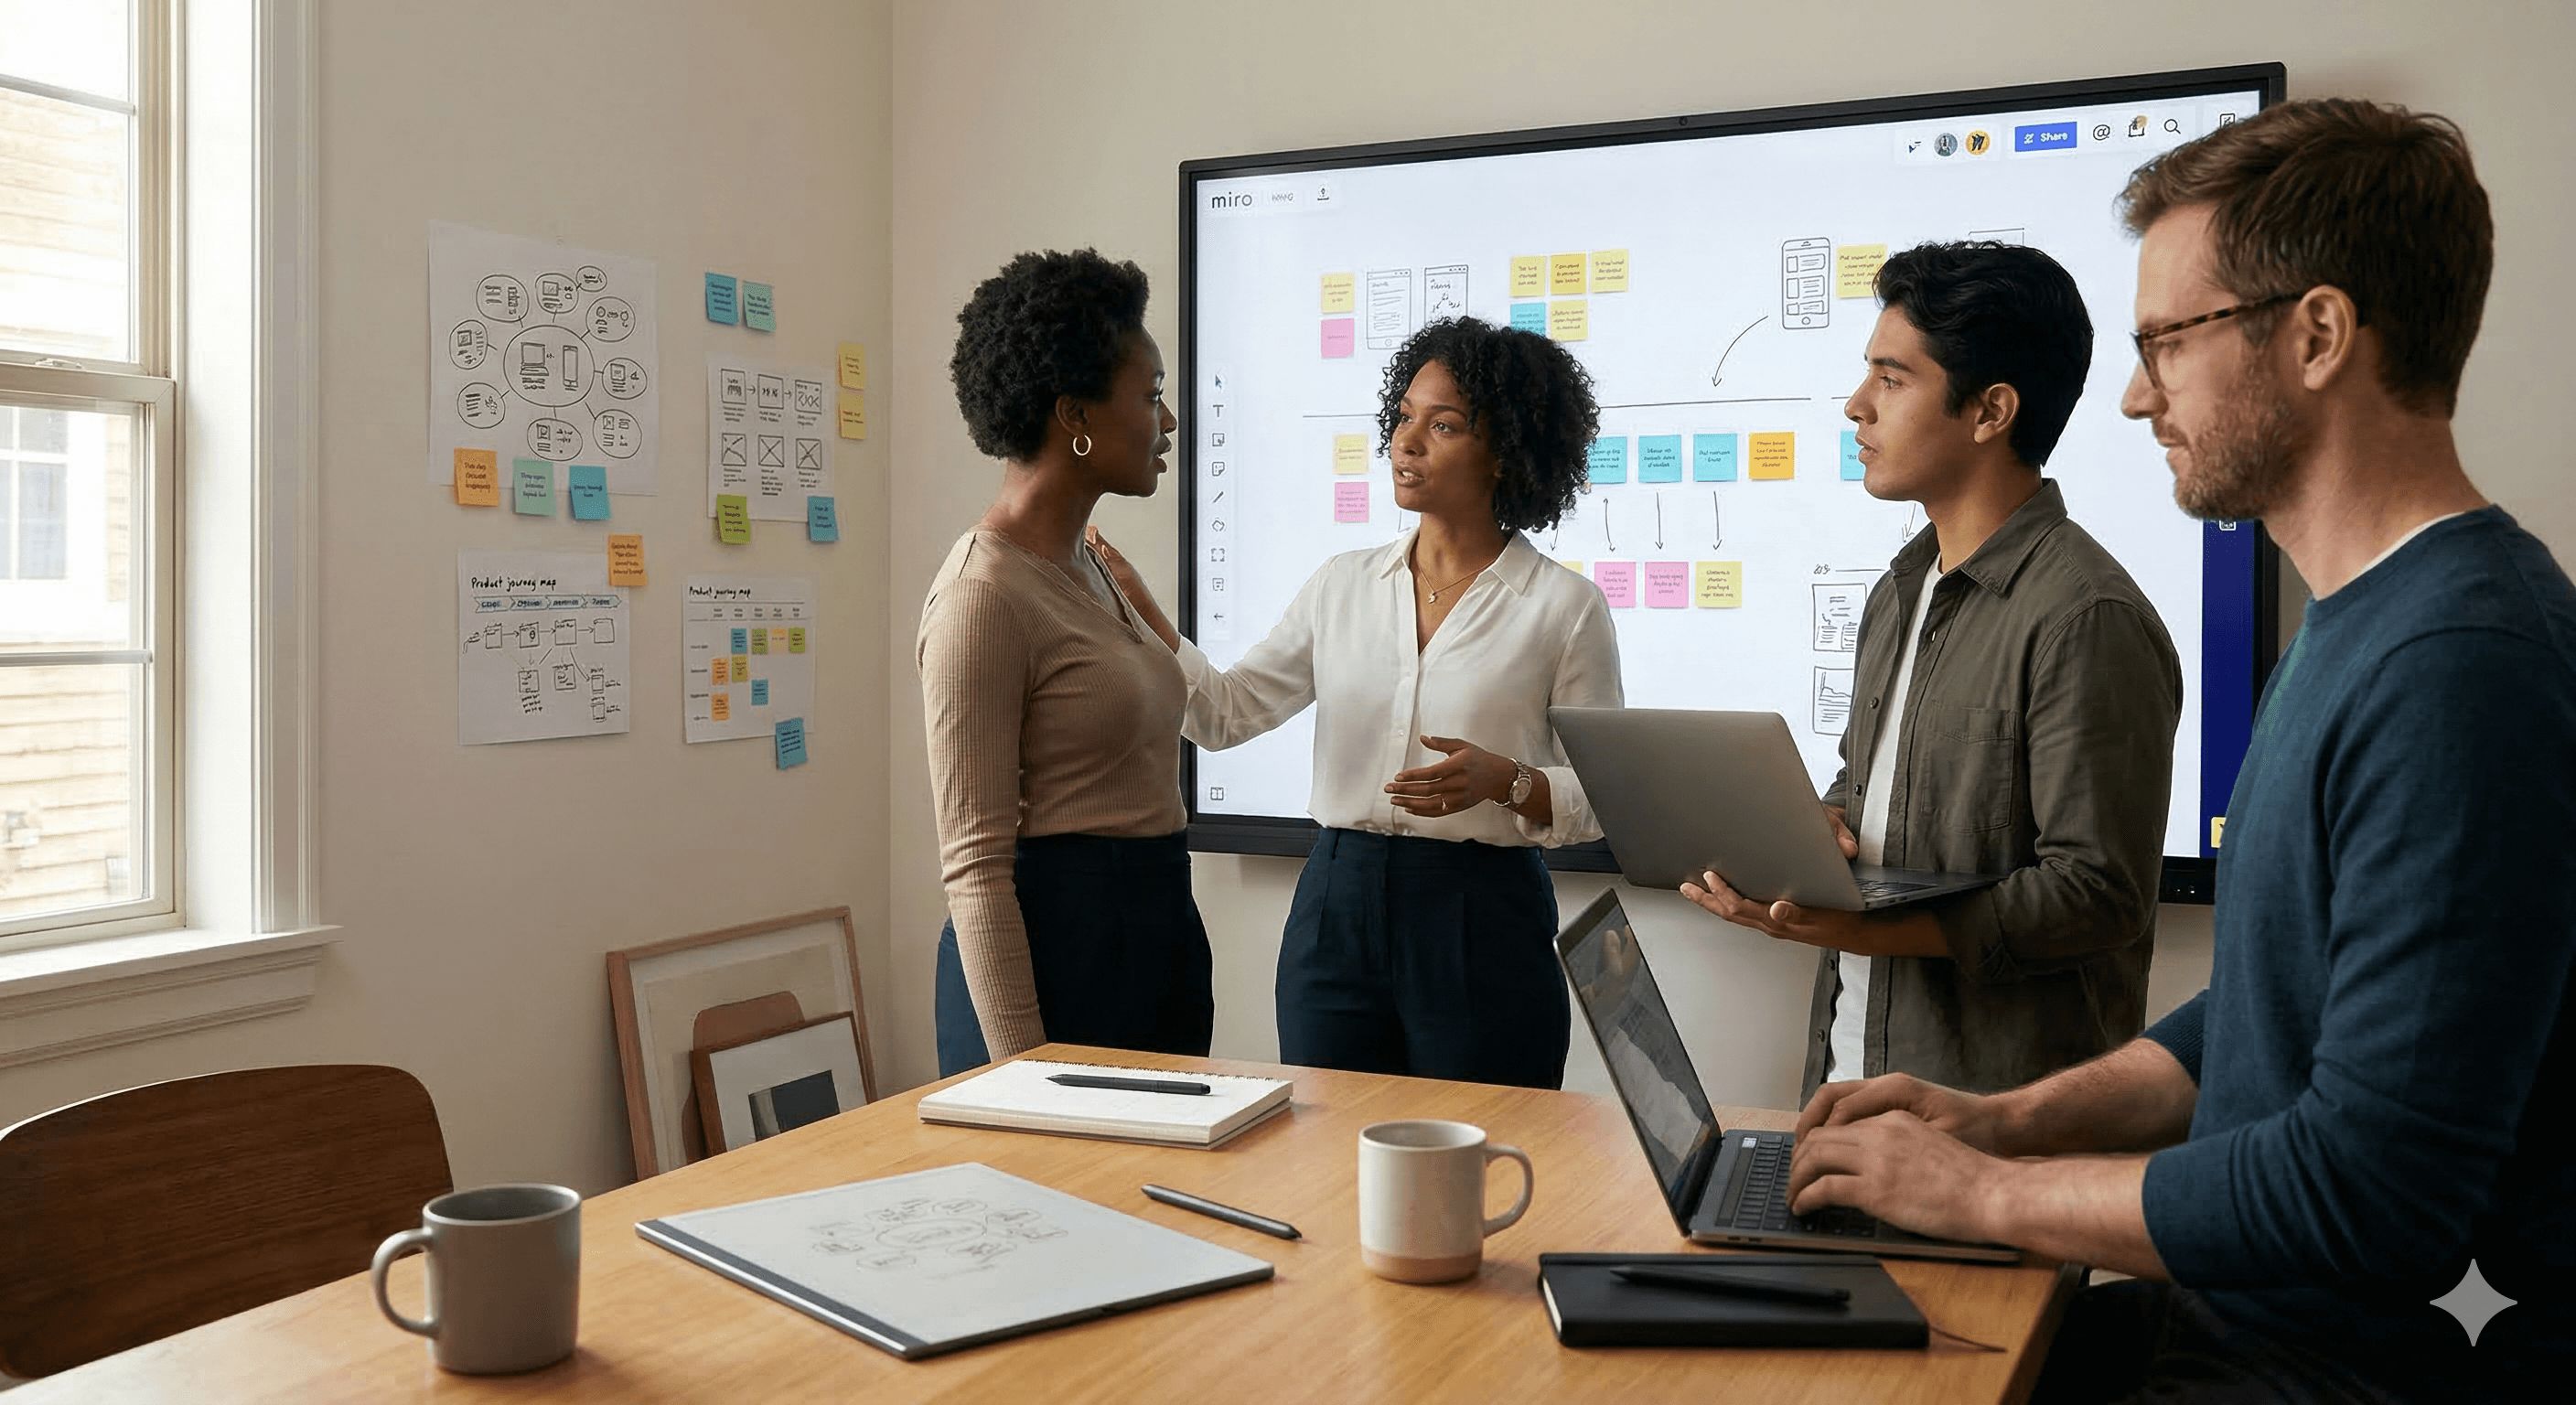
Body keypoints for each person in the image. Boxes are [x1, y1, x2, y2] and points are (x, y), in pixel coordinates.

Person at [1778, 100, 2576, 1404]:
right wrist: (2003, 1119)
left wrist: (1986, 1189)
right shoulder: (2356, 626)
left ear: (2317, 335)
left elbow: (2369, 1194)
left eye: (2167, 343)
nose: (2141, 394)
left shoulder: (2461, 666)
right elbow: (2263, 1013)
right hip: (2229, 1329)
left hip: (2315, 1372)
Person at [1681, 241, 2182, 1099]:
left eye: (1891, 378)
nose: (1855, 407)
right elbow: (1872, 793)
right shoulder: (1900, 589)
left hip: (1998, 1127)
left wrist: (1864, 928)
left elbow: (2097, 896)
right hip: (1849, 1085)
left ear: (1990, 412)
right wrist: (1818, 836)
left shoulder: (2086, 617)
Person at [1094, 316, 1618, 1089]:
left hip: (1482, 913)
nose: (1407, 442)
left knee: (1480, 1155)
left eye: (1443, 426)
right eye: (1404, 417)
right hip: (1335, 902)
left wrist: (1508, 781)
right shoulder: (1342, 583)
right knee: (1327, 1153)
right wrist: (1149, 619)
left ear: (1507, 447)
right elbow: (1224, 714)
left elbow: (1605, 794)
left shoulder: (1564, 607)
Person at [918, 248, 1209, 1076]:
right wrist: (1026, 1075)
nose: (1169, 422)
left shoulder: (1089, 563)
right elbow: (975, 868)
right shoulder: (983, 595)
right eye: (1151, 396)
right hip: (1054, 966)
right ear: (1075, 414)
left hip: (1153, 932)